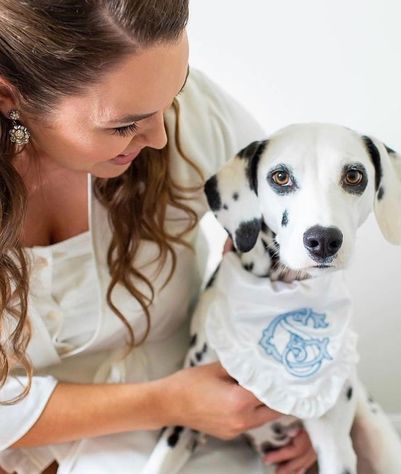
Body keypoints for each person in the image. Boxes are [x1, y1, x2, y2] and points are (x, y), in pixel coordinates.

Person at [0, 1, 317, 473]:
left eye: (176, 92)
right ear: (10, 99)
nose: (161, 138)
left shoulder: (188, 117)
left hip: (205, 415)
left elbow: (297, 233)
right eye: (124, 125)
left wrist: (306, 386)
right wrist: (166, 403)